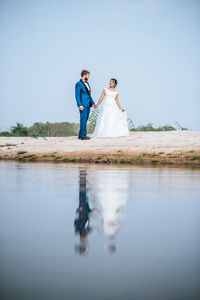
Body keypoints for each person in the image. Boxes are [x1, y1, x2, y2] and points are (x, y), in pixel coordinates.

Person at [75, 70, 96, 140]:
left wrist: (93, 103)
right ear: (85, 75)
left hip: (88, 104)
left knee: (85, 120)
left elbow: (89, 95)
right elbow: (77, 95)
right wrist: (79, 105)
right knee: (83, 120)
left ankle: (80, 135)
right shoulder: (78, 84)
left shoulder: (87, 83)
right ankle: (83, 136)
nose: (89, 77)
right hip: (83, 105)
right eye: (88, 75)